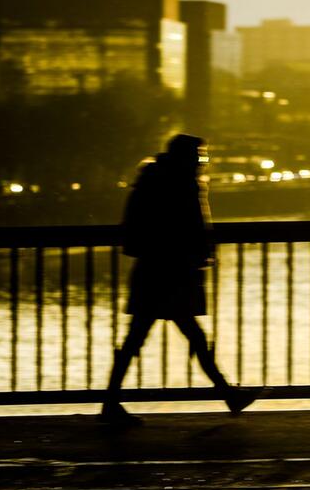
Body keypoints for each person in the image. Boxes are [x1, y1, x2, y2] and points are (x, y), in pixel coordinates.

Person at [99, 134, 259, 425]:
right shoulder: (182, 183)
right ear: (187, 158)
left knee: (139, 338)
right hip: (172, 273)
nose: (202, 162)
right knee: (192, 338)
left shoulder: (153, 179)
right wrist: (201, 254)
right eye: (200, 156)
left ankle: (111, 402)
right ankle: (226, 393)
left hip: (152, 272)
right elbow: (192, 228)